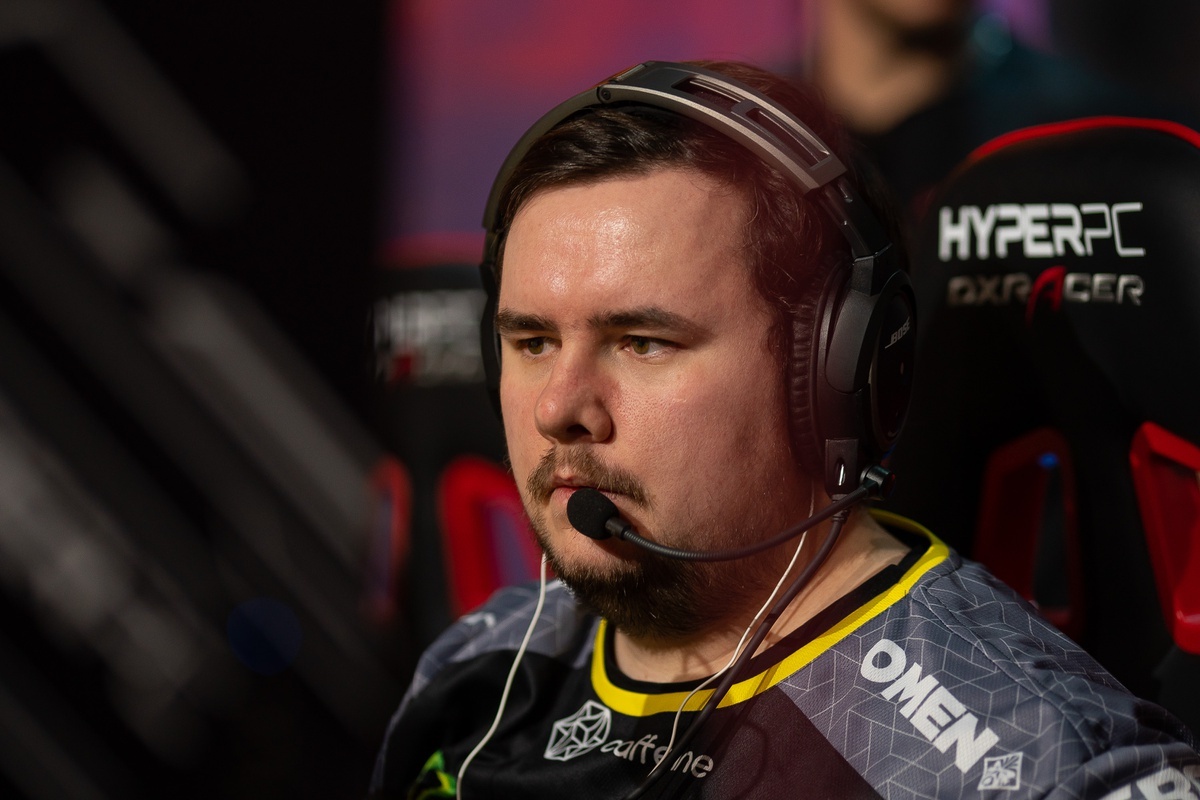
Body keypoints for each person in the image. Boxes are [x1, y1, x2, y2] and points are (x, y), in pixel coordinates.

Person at [369, 60, 1199, 799]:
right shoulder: (478, 668)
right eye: (533, 343)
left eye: (642, 341)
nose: (558, 408)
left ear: (827, 376)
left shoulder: (1034, 763)